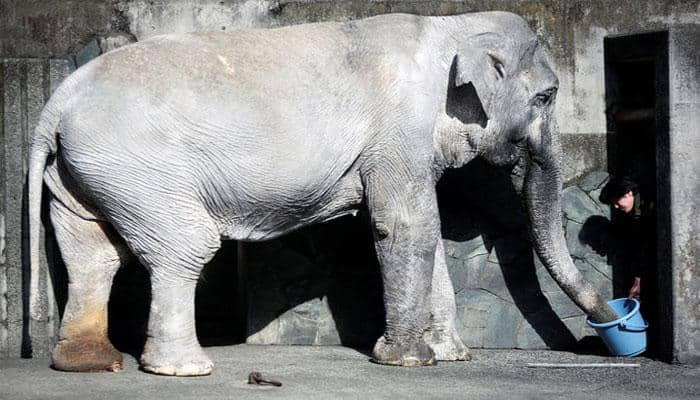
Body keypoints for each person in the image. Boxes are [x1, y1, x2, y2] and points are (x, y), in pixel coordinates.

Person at [599, 176, 643, 300]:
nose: (616, 207)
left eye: (616, 202)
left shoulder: (645, 212)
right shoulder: (633, 216)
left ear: (628, 193)